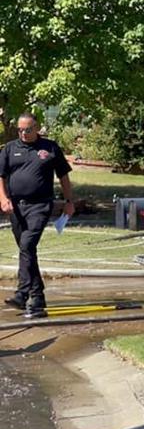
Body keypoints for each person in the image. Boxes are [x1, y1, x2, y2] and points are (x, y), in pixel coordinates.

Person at [0, 113, 75, 318]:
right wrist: (3, 199)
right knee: (27, 252)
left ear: (37, 128)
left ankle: (22, 293)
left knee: (27, 246)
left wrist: (69, 202)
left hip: (40, 206)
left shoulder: (50, 148)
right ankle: (38, 296)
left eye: (27, 129)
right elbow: (1, 176)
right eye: (20, 130)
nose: (23, 133)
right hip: (16, 207)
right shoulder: (10, 149)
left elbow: (64, 176)